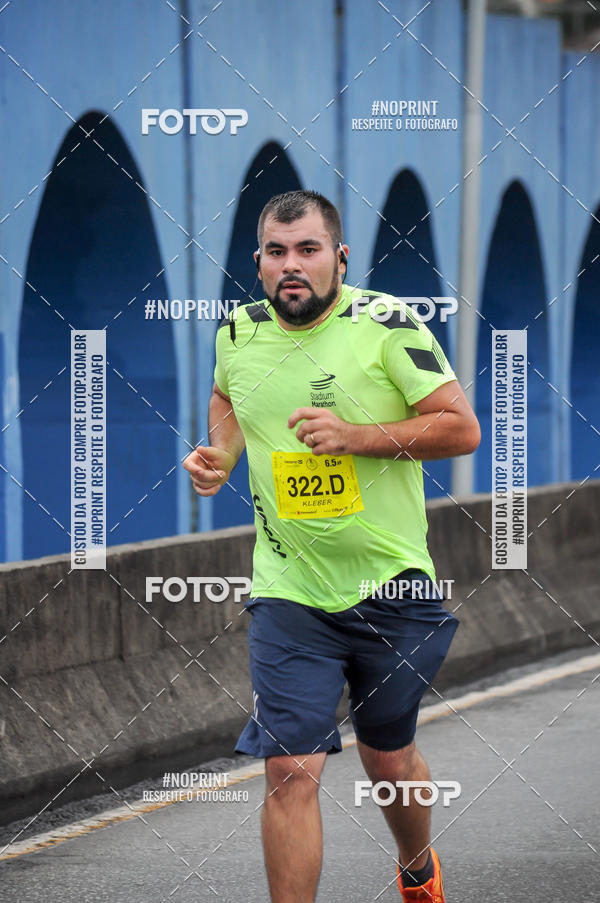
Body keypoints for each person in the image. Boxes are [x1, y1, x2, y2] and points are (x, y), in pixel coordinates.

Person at [183, 189, 481, 902]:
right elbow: (228, 400)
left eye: (309, 250)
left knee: (388, 754)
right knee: (290, 767)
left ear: (339, 258)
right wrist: (220, 455)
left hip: (393, 584)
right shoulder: (237, 331)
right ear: (257, 264)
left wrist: (355, 438)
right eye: (278, 252)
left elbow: (460, 427)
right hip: (289, 589)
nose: (293, 265)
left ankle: (417, 868)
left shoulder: (385, 325)